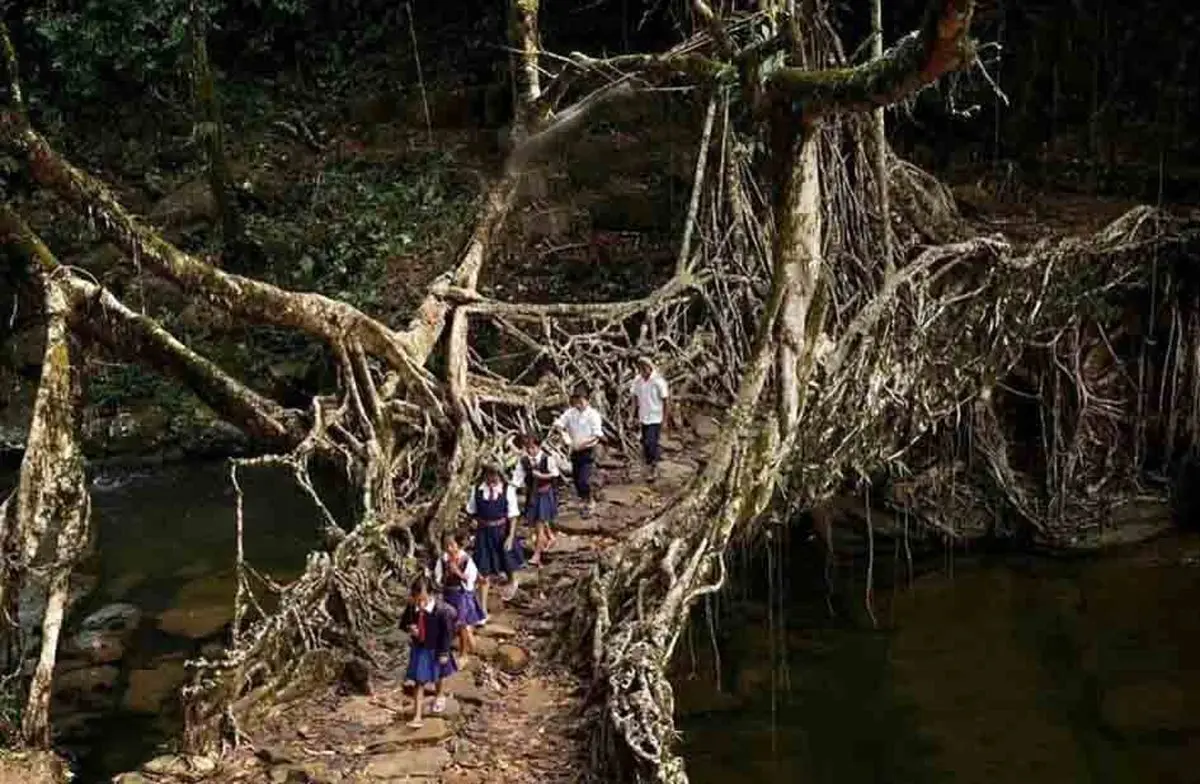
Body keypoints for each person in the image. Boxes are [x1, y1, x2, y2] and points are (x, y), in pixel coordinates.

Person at [399, 575, 457, 728]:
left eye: (423, 598)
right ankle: (417, 716)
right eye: (418, 599)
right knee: (419, 681)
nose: (421, 602)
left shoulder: (441, 611)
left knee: (439, 675)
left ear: (431, 594)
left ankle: (440, 695)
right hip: (421, 649)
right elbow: (404, 623)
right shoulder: (412, 608)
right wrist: (410, 629)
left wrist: (444, 652)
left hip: (437, 649)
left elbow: (447, 633)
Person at [466, 462, 523, 614]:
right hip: (484, 532)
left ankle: (513, 581)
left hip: (501, 530)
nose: (492, 479)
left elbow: (513, 516)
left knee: (507, 557)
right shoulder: (477, 490)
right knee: (483, 568)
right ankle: (482, 610)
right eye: (489, 475)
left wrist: (510, 537)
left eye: (495, 476)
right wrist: (472, 521)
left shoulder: (507, 490)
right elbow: (471, 510)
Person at [433, 533, 485, 666]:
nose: (450, 549)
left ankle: (464, 654)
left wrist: (457, 572)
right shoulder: (442, 560)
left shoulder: (466, 559)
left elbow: (470, 579)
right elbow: (438, 579)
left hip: (461, 594)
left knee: (462, 623)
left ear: (457, 545)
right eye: (446, 546)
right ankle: (445, 650)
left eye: (452, 545)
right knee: (445, 621)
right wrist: (444, 577)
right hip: (447, 594)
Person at [554, 386, 604, 518]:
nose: (579, 403)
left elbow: (596, 436)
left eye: (581, 400)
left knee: (584, 478)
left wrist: (582, 444)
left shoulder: (593, 415)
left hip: (588, 450)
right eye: (577, 400)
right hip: (574, 450)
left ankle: (590, 502)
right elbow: (559, 423)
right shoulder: (570, 413)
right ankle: (584, 500)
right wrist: (563, 434)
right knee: (576, 478)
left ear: (587, 400)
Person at [511, 433, 559, 566]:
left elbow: (555, 474)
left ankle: (537, 555)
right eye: (528, 448)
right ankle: (550, 536)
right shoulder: (524, 461)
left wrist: (542, 475)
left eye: (533, 448)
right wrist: (511, 488)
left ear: (538, 446)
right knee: (538, 521)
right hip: (532, 494)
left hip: (544, 494)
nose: (531, 451)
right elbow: (518, 477)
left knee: (539, 524)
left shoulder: (547, 459)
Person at [630, 356, 670, 482]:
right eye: (640, 368)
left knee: (650, 442)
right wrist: (632, 415)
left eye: (645, 368)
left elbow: (666, 401)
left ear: (650, 367)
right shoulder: (638, 380)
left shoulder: (658, 381)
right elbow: (635, 398)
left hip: (656, 417)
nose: (643, 371)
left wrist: (665, 420)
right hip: (644, 416)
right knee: (645, 443)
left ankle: (653, 467)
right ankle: (651, 463)